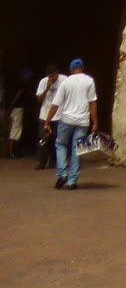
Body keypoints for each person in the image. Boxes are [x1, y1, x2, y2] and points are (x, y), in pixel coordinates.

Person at [46, 58, 97, 190]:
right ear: (83, 68)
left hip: (67, 119)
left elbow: (55, 105)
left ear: (70, 70)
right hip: (82, 121)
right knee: (77, 149)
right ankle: (72, 181)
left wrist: (47, 122)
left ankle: (62, 173)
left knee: (61, 145)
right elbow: (92, 103)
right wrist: (95, 122)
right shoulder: (89, 81)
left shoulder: (66, 82)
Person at [35, 63, 61, 171]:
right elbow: (39, 100)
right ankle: (42, 161)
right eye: (49, 76)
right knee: (43, 138)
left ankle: (53, 161)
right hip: (45, 114)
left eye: (53, 76)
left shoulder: (64, 80)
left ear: (57, 73)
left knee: (56, 138)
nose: (51, 78)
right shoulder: (43, 82)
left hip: (59, 114)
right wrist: (47, 88)